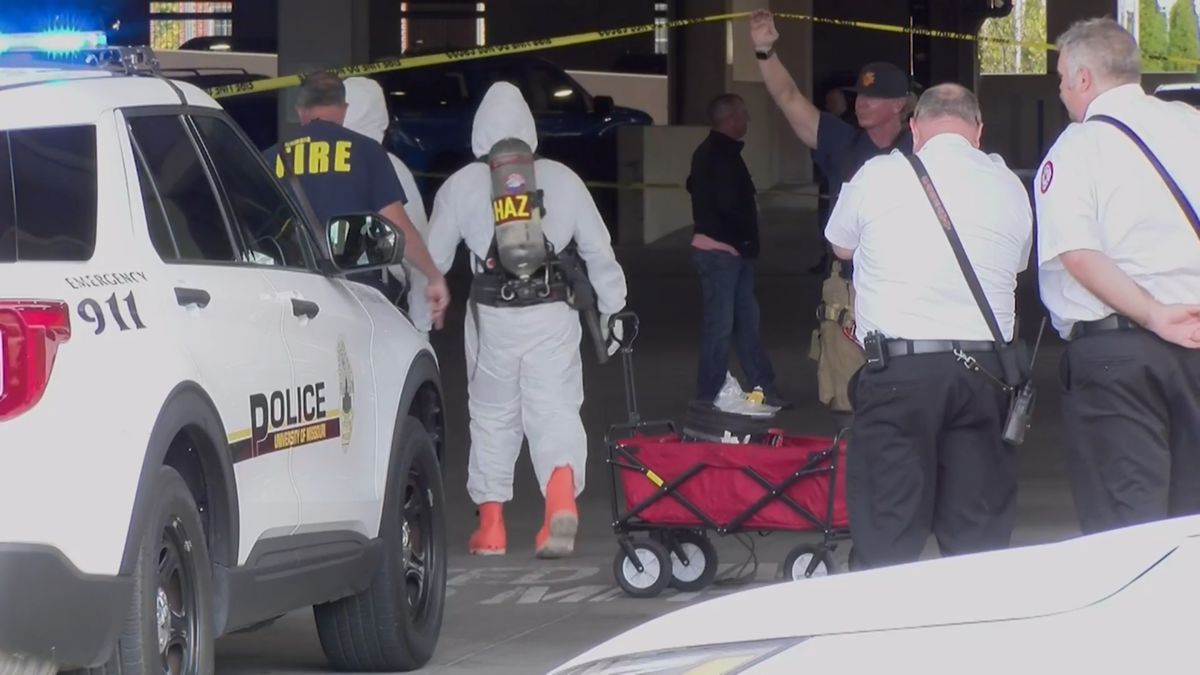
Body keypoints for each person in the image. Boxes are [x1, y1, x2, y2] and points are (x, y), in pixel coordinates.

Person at [408, 81, 628, 558]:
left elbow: (434, 260)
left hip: (492, 317)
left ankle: (491, 527)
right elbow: (598, 251)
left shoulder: (462, 186)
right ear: (529, 128)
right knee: (555, 408)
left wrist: (416, 320)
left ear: (479, 131)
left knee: (491, 414)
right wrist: (613, 311)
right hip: (553, 313)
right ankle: (561, 502)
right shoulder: (564, 179)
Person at [825, 83, 1033, 570]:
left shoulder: (877, 175)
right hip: (987, 373)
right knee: (976, 536)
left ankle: (883, 634)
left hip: (900, 372)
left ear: (914, 128)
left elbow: (839, 246)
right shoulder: (1009, 185)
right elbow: (1018, 263)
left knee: (888, 530)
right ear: (978, 132)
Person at [1034, 18, 1200, 536]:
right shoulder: (1190, 125)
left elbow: (1079, 254)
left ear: (1084, 79)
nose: (1059, 90)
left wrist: (1153, 313)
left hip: (1120, 355)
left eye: (1061, 77)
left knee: (1127, 525)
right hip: (1196, 337)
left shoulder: (1077, 147)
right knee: (1191, 519)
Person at [750, 8, 913, 430]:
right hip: (850, 292)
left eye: (873, 97)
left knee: (909, 398)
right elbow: (789, 100)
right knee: (849, 400)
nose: (861, 102)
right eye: (859, 94)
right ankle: (853, 488)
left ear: (900, 105)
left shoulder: (925, 146)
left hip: (911, 287)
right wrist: (765, 52)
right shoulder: (844, 141)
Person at [265, 71, 449, 328]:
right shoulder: (367, 152)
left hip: (293, 300)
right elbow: (399, 228)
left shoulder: (271, 158)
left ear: (299, 110)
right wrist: (433, 275)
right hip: (360, 299)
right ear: (344, 109)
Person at [687, 93, 789, 410]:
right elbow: (730, 205)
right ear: (730, 119)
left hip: (726, 252)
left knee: (743, 322)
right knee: (723, 326)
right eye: (744, 115)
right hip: (723, 253)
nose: (748, 120)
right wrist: (746, 240)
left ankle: (762, 386)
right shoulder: (723, 156)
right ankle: (710, 394)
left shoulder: (708, 153)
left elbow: (695, 186)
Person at [342, 76, 434, 334]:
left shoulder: (312, 160)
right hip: (377, 298)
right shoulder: (389, 166)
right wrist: (421, 324)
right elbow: (415, 242)